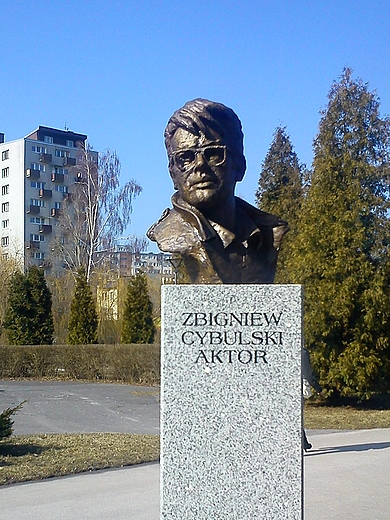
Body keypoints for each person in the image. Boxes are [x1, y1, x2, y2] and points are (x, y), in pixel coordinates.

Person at [147, 98, 288, 284]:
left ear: (239, 166)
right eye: (185, 157)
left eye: (213, 154)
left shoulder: (269, 234)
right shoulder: (169, 235)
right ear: (173, 174)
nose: (200, 166)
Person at [302, 347, 322, 451]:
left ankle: (304, 443)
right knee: (296, 418)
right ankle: (303, 443)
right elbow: (308, 373)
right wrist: (317, 388)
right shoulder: (302, 352)